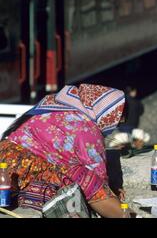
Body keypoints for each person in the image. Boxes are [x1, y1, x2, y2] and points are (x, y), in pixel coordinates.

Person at [0, 84, 130, 218]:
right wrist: (112, 193)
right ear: (108, 114)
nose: (112, 129)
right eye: (116, 123)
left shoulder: (55, 103)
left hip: (5, 155)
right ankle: (126, 215)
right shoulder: (88, 129)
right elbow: (98, 174)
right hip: (22, 165)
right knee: (85, 178)